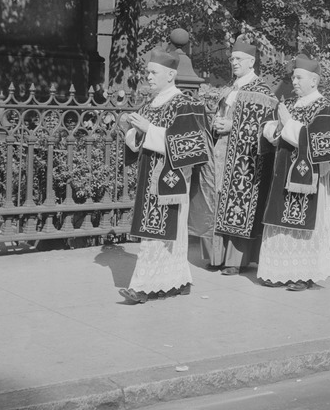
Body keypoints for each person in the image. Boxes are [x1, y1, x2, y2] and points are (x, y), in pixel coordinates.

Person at [118, 49, 211, 304]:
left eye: (153, 72)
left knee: (159, 235)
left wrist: (150, 131)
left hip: (172, 180)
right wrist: (133, 131)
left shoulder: (185, 104)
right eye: (147, 72)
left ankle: (141, 287)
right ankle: (177, 280)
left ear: (170, 75)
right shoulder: (151, 103)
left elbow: (194, 146)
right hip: (149, 176)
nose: (148, 76)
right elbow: (138, 142)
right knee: (162, 236)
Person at [257, 54, 330, 291]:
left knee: (305, 226)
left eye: (299, 77)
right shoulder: (288, 104)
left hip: (311, 180)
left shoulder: (325, 108)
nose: (294, 81)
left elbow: (322, 144)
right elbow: (267, 128)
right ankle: (279, 271)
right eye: (293, 77)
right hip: (283, 176)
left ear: (314, 80)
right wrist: (277, 126)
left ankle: (304, 274)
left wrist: (287, 124)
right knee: (281, 221)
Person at [201, 36, 278, 275]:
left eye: (238, 59)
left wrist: (233, 127)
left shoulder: (262, 91)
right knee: (217, 197)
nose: (233, 62)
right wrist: (216, 122)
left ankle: (235, 260)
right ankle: (217, 256)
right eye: (232, 58)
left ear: (251, 62)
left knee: (238, 202)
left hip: (246, 156)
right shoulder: (229, 88)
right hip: (221, 151)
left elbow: (266, 126)